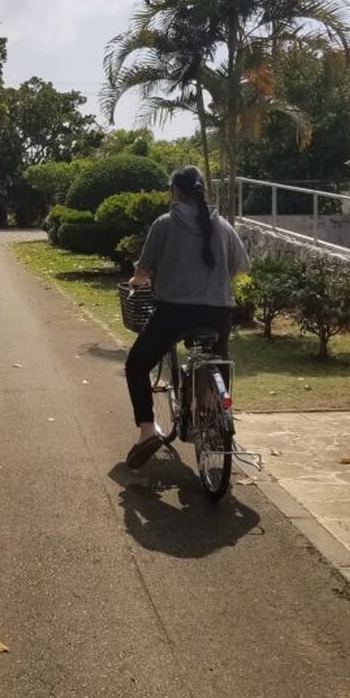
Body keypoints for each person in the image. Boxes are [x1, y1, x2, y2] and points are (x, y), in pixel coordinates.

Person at [124, 165, 249, 470]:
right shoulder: (222, 226)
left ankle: (146, 432)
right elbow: (241, 267)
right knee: (218, 360)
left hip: (174, 313)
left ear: (175, 192)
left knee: (136, 365)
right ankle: (213, 412)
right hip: (218, 312)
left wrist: (136, 283)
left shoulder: (165, 224)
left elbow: (143, 272)